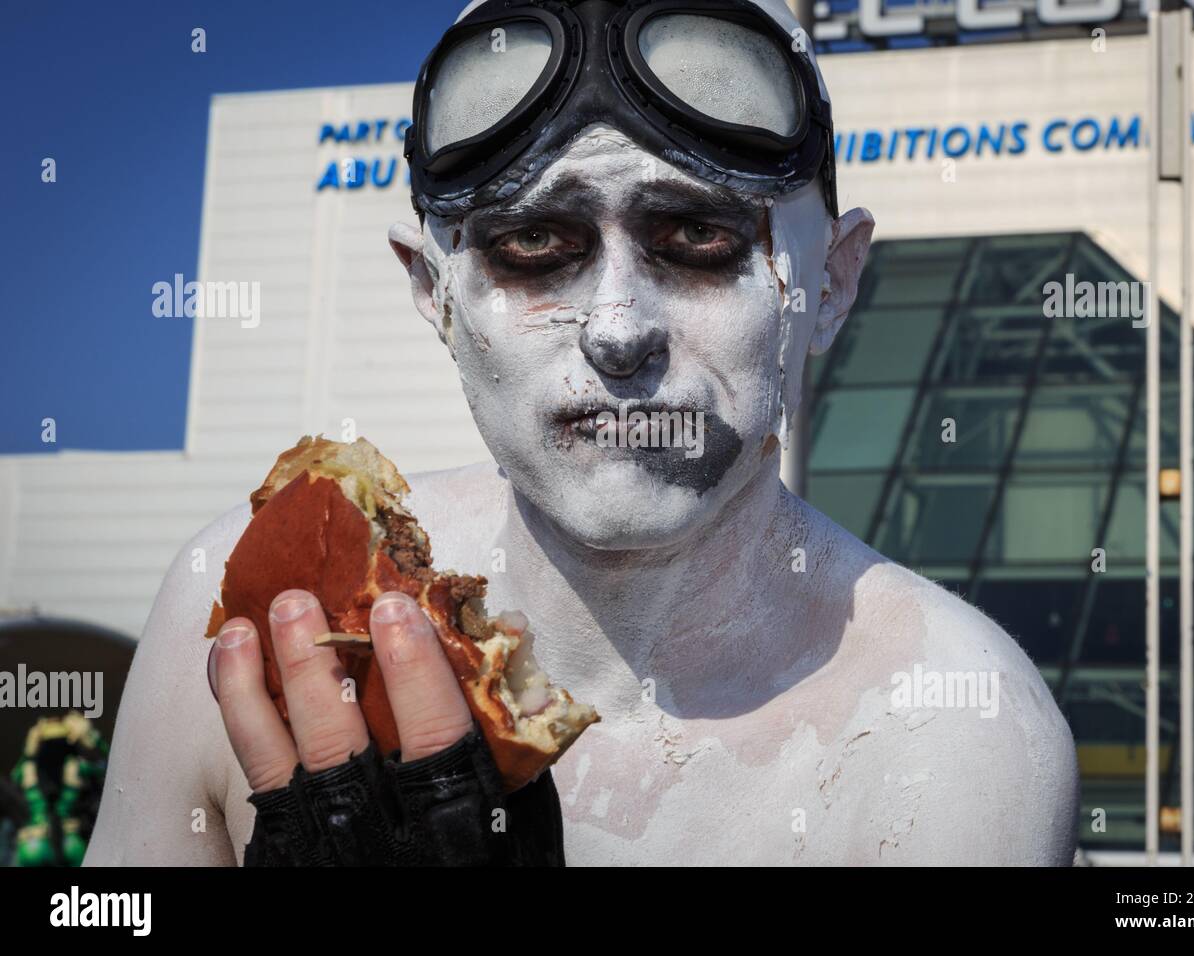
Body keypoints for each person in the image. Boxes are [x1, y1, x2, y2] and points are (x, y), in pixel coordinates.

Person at [86, 0, 1079, 866]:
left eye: (697, 239)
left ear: (831, 284)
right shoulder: (253, 629)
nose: (616, 329)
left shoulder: (950, 730)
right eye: (533, 246)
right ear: (434, 294)